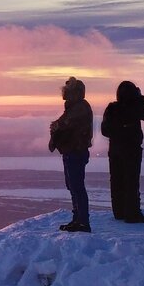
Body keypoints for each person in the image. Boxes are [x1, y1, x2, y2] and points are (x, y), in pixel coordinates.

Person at [101, 81, 144, 223]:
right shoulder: (135, 107)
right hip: (132, 149)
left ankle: (119, 212)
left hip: (115, 150)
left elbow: (104, 130)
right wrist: (140, 97)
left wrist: (118, 131)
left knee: (116, 180)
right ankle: (132, 214)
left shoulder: (112, 108)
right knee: (131, 181)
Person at [49, 76, 94, 232]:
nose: (64, 94)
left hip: (76, 151)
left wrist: (56, 127)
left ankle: (82, 221)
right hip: (71, 151)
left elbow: (63, 124)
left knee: (77, 187)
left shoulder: (79, 108)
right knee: (73, 186)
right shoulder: (74, 107)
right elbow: (61, 124)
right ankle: (78, 219)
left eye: (68, 91)